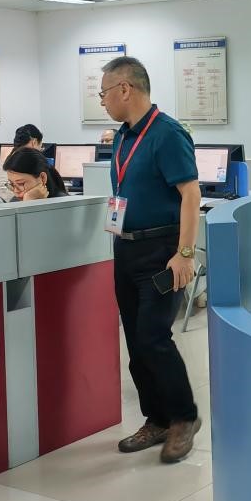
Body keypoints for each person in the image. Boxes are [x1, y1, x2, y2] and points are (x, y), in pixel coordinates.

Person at [100, 56, 202, 464]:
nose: (103, 101)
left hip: (162, 251)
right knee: (135, 341)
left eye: (104, 92)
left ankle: (184, 417)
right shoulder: (123, 136)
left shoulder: (168, 134)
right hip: (125, 248)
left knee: (154, 338)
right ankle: (156, 419)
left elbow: (191, 195)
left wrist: (185, 253)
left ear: (125, 89)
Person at [0, 124, 43, 202]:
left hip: (1, 203)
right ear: (34, 142)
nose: (40, 151)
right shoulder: (27, 162)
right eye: (40, 146)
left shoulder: (7, 160)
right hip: (15, 204)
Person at [2, 147, 67, 201]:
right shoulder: (15, 200)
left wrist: (29, 203)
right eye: (12, 184)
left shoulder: (63, 204)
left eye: (21, 184)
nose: (16, 191)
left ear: (43, 178)